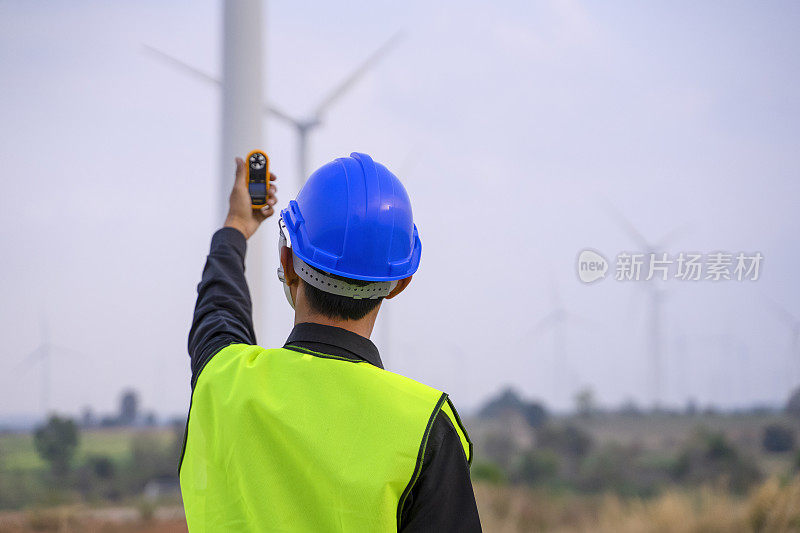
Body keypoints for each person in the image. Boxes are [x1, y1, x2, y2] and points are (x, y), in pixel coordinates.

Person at [180, 152, 481, 532]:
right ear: (401, 283)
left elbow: (218, 311)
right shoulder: (427, 428)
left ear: (288, 263)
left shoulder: (222, 379)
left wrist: (237, 225)